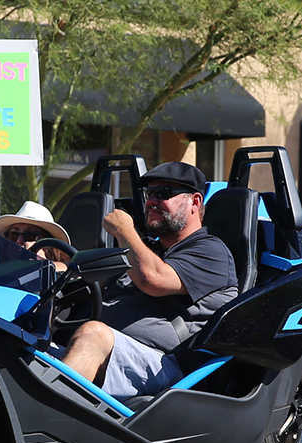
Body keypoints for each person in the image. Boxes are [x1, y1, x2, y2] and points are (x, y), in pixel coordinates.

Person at [62, 162, 238, 399]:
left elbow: (152, 279)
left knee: (95, 335)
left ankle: (49, 420)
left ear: (195, 202)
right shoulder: (150, 250)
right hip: (121, 356)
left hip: (167, 367)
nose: (151, 201)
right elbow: (89, 274)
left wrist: (125, 230)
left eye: (163, 194)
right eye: (149, 194)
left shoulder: (210, 251)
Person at [0, 201, 72, 268]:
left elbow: (72, 272)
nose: (19, 241)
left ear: (49, 245)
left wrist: (44, 264)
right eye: (13, 235)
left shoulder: (64, 279)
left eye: (30, 235)